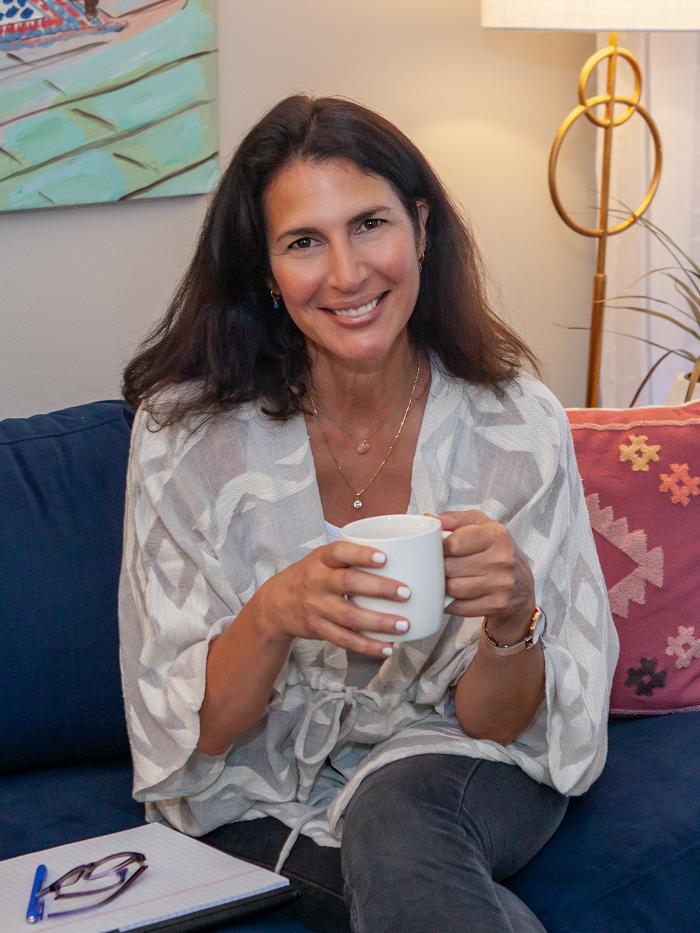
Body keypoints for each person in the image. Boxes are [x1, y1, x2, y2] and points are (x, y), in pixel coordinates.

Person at [119, 94, 619, 933]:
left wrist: (512, 613)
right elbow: (198, 734)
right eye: (303, 242)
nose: (347, 274)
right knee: (423, 888)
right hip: (261, 786)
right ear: (266, 271)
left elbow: (497, 722)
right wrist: (274, 613)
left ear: (420, 227)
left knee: (397, 814)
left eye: (369, 224)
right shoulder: (186, 440)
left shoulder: (514, 423)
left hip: (465, 757)